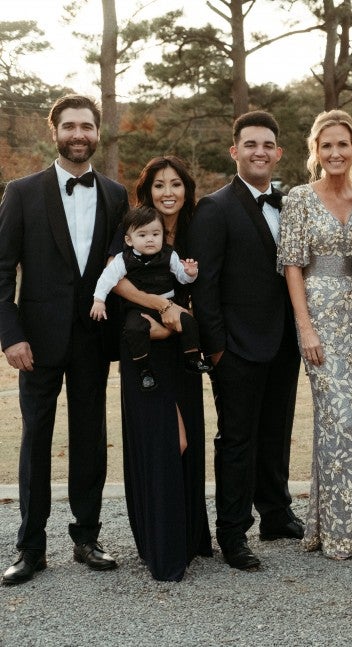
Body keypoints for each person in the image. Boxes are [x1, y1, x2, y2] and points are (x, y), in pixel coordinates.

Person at [0, 94, 127, 585]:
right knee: (36, 440)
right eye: (70, 126)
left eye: (86, 126)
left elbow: (126, 267)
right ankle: (30, 547)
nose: (79, 134)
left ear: (97, 132)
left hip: (94, 337)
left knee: (90, 439)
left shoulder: (115, 195)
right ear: (53, 132)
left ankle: (87, 537)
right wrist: (11, 336)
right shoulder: (21, 192)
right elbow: (1, 270)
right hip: (36, 342)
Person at [189, 110, 303, 571]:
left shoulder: (291, 203)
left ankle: (276, 514)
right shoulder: (214, 208)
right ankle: (233, 532)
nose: (260, 152)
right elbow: (205, 285)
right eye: (250, 144)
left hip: (285, 342)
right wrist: (217, 348)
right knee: (237, 440)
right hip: (235, 347)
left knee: (276, 432)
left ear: (278, 153)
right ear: (235, 151)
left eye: (267, 145)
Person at [278, 110, 352, 559]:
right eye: (327, 146)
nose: (335, 152)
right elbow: (292, 266)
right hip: (319, 316)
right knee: (337, 416)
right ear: (315, 152)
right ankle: (338, 530)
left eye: (343, 144)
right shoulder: (300, 199)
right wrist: (305, 327)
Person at [108, 156, 213, 582]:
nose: (168, 192)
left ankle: (188, 539)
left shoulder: (194, 230)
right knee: (165, 441)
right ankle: (162, 549)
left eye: (176, 184)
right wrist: (162, 306)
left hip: (182, 350)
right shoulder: (134, 226)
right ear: (147, 191)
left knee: (188, 441)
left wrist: (180, 323)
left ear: (187, 189)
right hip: (143, 350)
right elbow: (115, 280)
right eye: (159, 185)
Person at [91, 206, 211, 391]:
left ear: (163, 236)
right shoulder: (123, 259)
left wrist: (190, 273)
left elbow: (182, 278)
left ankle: (192, 359)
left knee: (188, 321)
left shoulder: (169, 254)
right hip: (138, 308)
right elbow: (107, 279)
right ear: (129, 240)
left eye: (155, 234)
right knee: (134, 329)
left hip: (169, 304)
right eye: (142, 235)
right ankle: (144, 371)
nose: (150, 239)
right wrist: (99, 301)